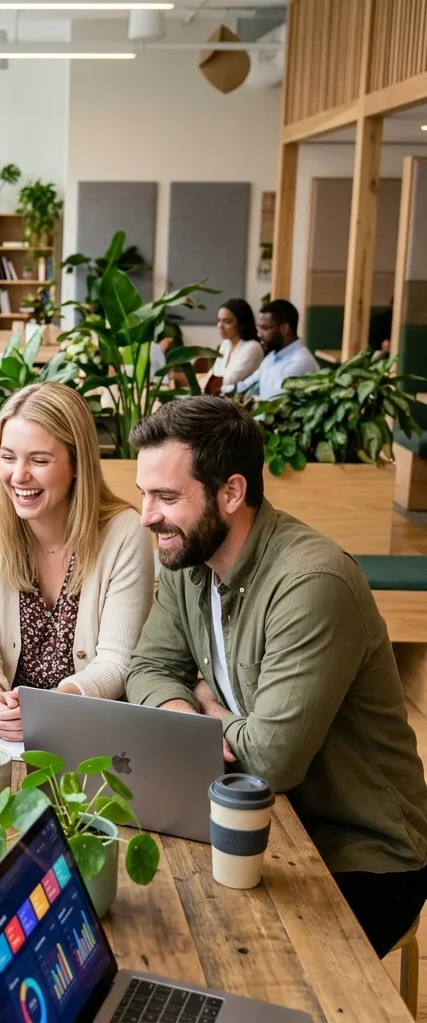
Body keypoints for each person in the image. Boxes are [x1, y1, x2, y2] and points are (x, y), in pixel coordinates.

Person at [125, 396, 427, 957]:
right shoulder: (192, 559)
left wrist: (212, 713)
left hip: (358, 854)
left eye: (166, 497)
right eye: (146, 493)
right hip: (255, 819)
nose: (147, 516)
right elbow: (146, 668)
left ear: (231, 493)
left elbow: (272, 761)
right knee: (150, 919)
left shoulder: (312, 582)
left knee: (213, 952)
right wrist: (190, 715)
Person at [0, 381, 154, 742]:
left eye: (40, 460)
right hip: (1, 736)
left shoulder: (124, 533)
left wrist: (50, 709)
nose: (18, 475)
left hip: (90, 731)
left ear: (77, 464)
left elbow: (118, 661)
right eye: (8, 456)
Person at [233, 299, 317, 399]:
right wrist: (221, 390)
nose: (259, 334)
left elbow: (274, 405)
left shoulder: (300, 362)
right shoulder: (272, 357)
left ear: (284, 329)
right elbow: (246, 386)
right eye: (259, 328)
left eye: (265, 328)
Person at [206, 298, 263, 394]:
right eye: (219, 320)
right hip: (219, 397)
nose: (220, 326)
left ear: (241, 323)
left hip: (240, 403)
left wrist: (210, 382)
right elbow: (213, 373)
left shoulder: (253, 347)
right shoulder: (226, 344)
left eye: (227, 322)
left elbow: (229, 380)